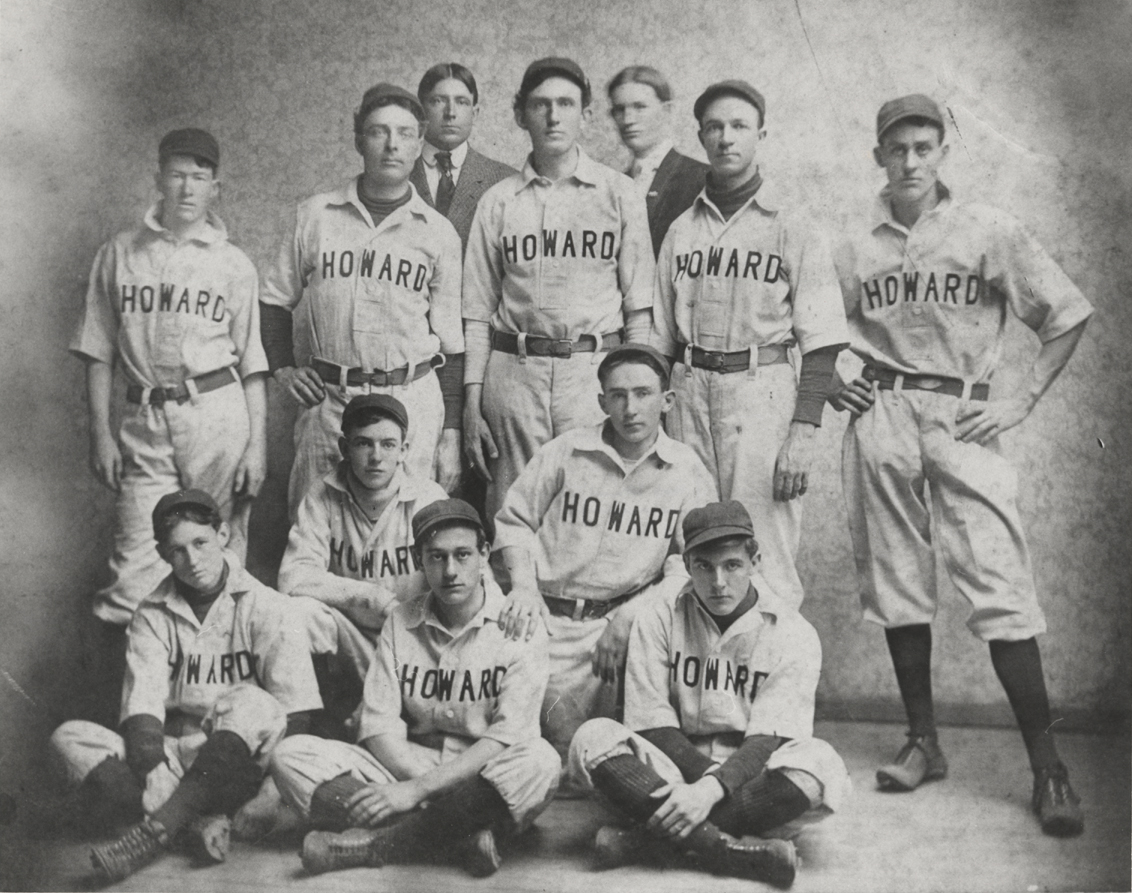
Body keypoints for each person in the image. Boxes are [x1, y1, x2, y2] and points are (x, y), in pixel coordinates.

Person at [830, 94, 1093, 837]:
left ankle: (1049, 767)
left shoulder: (988, 228)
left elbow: (1067, 313)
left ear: (944, 150)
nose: (910, 161)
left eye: (923, 146)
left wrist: (1019, 401)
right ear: (876, 153)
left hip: (962, 414)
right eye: (896, 148)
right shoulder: (854, 239)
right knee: (897, 582)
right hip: (881, 414)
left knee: (1001, 586)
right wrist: (840, 367)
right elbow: (821, 326)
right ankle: (924, 740)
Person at [270, 499, 560, 878]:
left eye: (462, 555)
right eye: (436, 557)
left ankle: (379, 844)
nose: (450, 571)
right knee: (291, 755)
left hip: (481, 772)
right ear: (419, 559)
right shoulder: (400, 621)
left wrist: (418, 791)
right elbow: (378, 725)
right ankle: (455, 836)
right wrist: (412, 783)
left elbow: (506, 738)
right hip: (408, 763)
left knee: (540, 761)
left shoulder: (518, 624)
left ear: (485, 554)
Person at [568, 501, 850, 887]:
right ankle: (729, 852)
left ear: (756, 561)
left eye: (732, 565)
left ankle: (645, 842)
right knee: (592, 737)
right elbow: (652, 724)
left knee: (821, 764)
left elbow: (769, 739)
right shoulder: (659, 615)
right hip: (670, 767)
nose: (718, 581)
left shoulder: (793, 631)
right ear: (687, 565)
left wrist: (711, 789)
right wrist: (701, 788)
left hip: (751, 774)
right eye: (704, 566)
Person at [48, 490, 321, 884]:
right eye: (177, 550)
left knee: (251, 702)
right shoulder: (151, 612)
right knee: (69, 739)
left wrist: (272, 794)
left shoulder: (270, 606)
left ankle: (152, 834)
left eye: (200, 543)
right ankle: (191, 823)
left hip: (239, 764)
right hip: (175, 759)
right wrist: (155, 767)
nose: (192, 560)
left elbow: (296, 714)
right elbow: (142, 705)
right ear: (162, 554)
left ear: (223, 534)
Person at [649, 80, 849, 607]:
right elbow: (659, 342)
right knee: (688, 546)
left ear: (761, 133)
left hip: (761, 395)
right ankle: (704, 686)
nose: (725, 137)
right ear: (700, 136)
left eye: (738, 126)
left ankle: (768, 686)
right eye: (714, 127)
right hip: (689, 393)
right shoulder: (681, 229)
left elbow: (823, 339)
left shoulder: (792, 223)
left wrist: (803, 432)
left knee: (766, 555)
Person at [70, 128, 267, 634]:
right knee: (133, 574)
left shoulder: (233, 263)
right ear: (158, 179)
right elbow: (97, 350)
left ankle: (218, 699)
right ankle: (138, 707)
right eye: (177, 175)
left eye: (199, 177)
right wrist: (101, 433)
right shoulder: (121, 253)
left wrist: (257, 447)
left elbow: (252, 365)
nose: (186, 188)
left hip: (217, 416)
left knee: (217, 561)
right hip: (145, 420)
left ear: (215, 188)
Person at [493, 343, 715, 758]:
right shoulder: (567, 450)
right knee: (517, 742)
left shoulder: (686, 470)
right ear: (602, 401)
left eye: (643, 394)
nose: (631, 408)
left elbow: (691, 563)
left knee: (603, 749)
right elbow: (514, 521)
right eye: (618, 395)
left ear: (667, 401)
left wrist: (632, 614)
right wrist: (523, 587)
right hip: (544, 614)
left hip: (616, 627)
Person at [463, 57, 655, 521]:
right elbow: (475, 314)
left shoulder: (618, 192)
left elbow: (640, 311)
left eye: (566, 104)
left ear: (585, 115)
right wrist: (471, 401)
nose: (553, 116)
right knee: (513, 512)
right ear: (519, 114)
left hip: (591, 373)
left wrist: (637, 388)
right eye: (541, 104)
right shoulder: (498, 201)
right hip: (514, 374)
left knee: (593, 507)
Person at [261, 83, 464, 519]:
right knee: (316, 534)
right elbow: (272, 301)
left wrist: (451, 433)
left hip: (410, 399)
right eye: (378, 132)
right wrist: (282, 367)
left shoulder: (436, 230)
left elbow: (452, 344)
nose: (392, 145)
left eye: (405, 134)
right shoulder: (315, 215)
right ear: (358, 140)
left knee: (409, 540)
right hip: (333, 399)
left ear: (418, 144)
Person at [278, 393, 448, 645]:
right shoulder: (322, 494)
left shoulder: (428, 498)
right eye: (364, 443)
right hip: (350, 635)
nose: (376, 456)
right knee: (294, 615)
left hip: (416, 636)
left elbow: (469, 577)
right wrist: (372, 597)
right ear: (344, 449)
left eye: (388, 444)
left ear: (403, 451)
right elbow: (293, 577)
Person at [410, 62, 518, 253]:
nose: (450, 113)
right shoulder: (397, 177)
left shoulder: (506, 181)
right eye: (438, 101)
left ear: (474, 113)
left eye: (461, 102)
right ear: (420, 112)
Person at [607, 65, 707, 256]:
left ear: (667, 110)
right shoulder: (613, 184)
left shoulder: (701, 177)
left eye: (640, 107)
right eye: (619, 110)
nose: (628, 120)